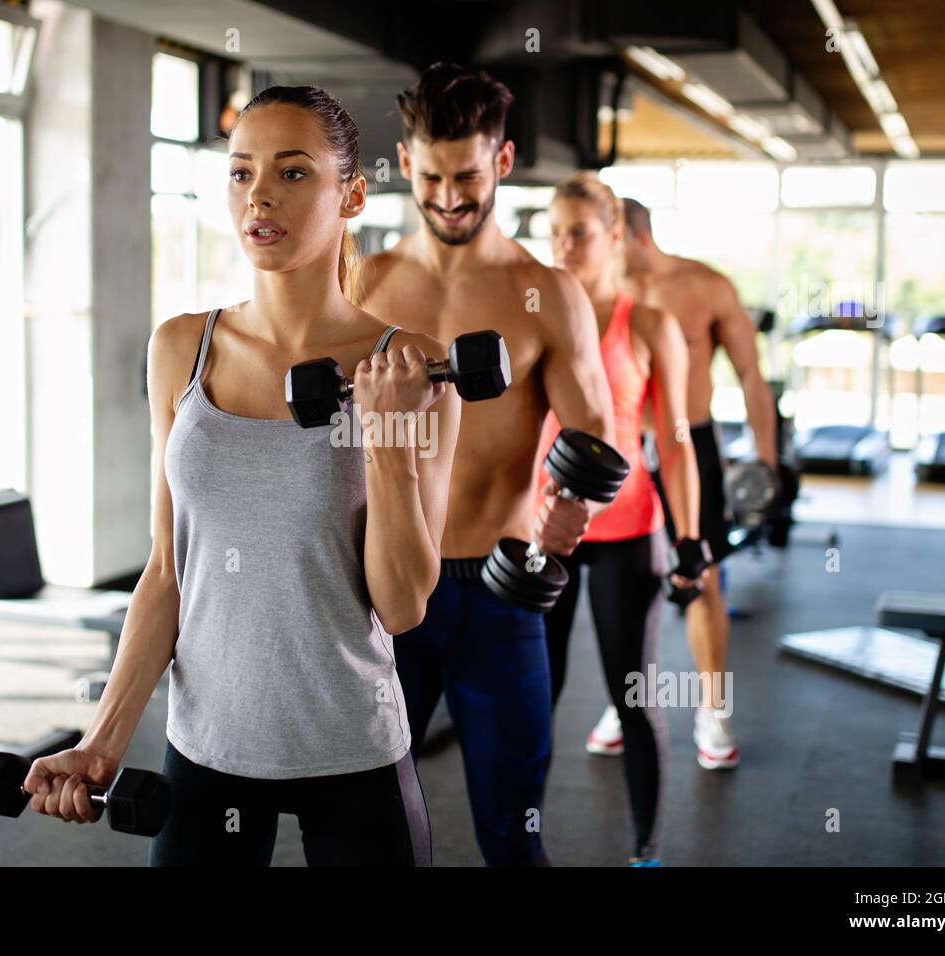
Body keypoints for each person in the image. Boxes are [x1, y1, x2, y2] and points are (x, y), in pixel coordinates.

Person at [19, 85, 462, 866]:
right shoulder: (179, 349)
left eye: (293, 174)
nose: (260, 194)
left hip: (352, 746)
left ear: (351, 194)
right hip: (207, 747)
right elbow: (168, 570)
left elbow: (401, 606)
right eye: (240, 172)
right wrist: (103, 739)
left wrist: (387, 433)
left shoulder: (411, 366)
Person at [358, 62, 617, 866]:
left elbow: (595, 437)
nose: (448, 196)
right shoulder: (364, 282)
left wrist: (571, 507)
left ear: (501, 163)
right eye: (430, 176)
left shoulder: (547, 293)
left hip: (497, 599)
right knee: (371, 832)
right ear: (404, 165)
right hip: (379, 591)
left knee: (513, 831)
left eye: (466, 176)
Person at [538, 173, 704, 866]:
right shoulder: (535, 314)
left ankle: (646, 852)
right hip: (541, 536)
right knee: (532, 705)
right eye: (553, 232)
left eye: (579, 232)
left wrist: (690, 538)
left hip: (625, 535)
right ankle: (522, 842)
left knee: (632, 697)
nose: (564, 246)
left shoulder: (648, 323)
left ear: (614, 237)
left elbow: (675, 441)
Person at [619, 197, 777, 770]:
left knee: (701, 572)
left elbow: (752, 376)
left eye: (607, 237)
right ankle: (626, 698)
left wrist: (767, 465)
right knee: (626, 578)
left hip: (693, 443)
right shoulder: (594, 291)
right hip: (623, 448)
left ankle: (713, 709)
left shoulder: (706, 287)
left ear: (634, 236)